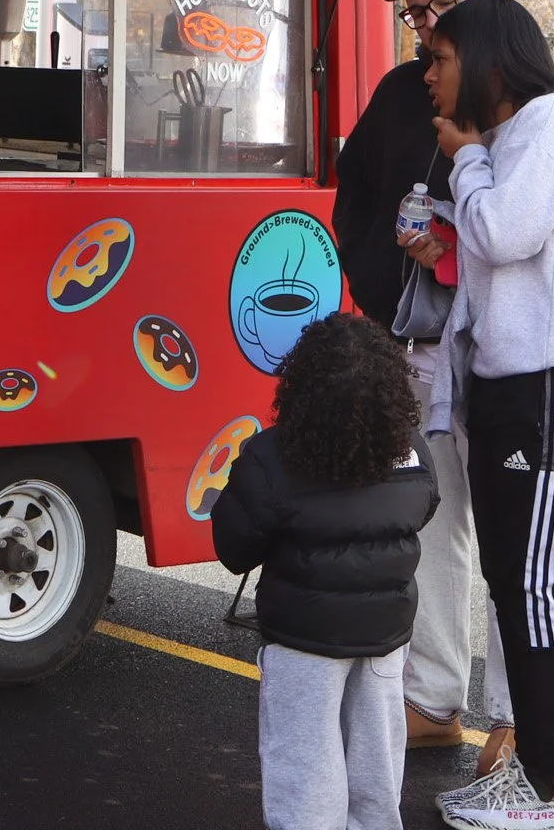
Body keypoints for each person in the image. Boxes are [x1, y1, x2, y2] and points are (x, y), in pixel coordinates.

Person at [336, 0, 554, 763]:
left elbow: (512, 232)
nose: (424, 33)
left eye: (442, 10)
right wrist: (395, 293)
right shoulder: (401, 93)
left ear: (491, 4)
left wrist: (467, 177)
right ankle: (434, 696)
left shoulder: (548, 112)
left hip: (531, 367)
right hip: (437, 346)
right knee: (442, 523)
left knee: (520, 556)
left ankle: (521, 727)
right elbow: (360, 197)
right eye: (415, 12)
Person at [400, 0, 554, 829]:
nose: (429, 73)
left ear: (488, 59)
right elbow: (499, 254)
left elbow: (506, 235)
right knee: (513, 579)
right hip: (515, 384)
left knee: (532, 588)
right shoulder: (515, 137)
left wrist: (463, 161)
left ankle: (550, 791)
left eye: (442, 58)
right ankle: (533, 775)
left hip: (553, 386)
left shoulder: (553, 123)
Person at [211, 316, 439, 830]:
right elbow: (423, 508)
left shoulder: (272, 455)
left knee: (305, 768)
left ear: (302, 384)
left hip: (304, 638)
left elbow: (234, 548)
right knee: (376, 769)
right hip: (386, 633)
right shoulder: (411, 449)